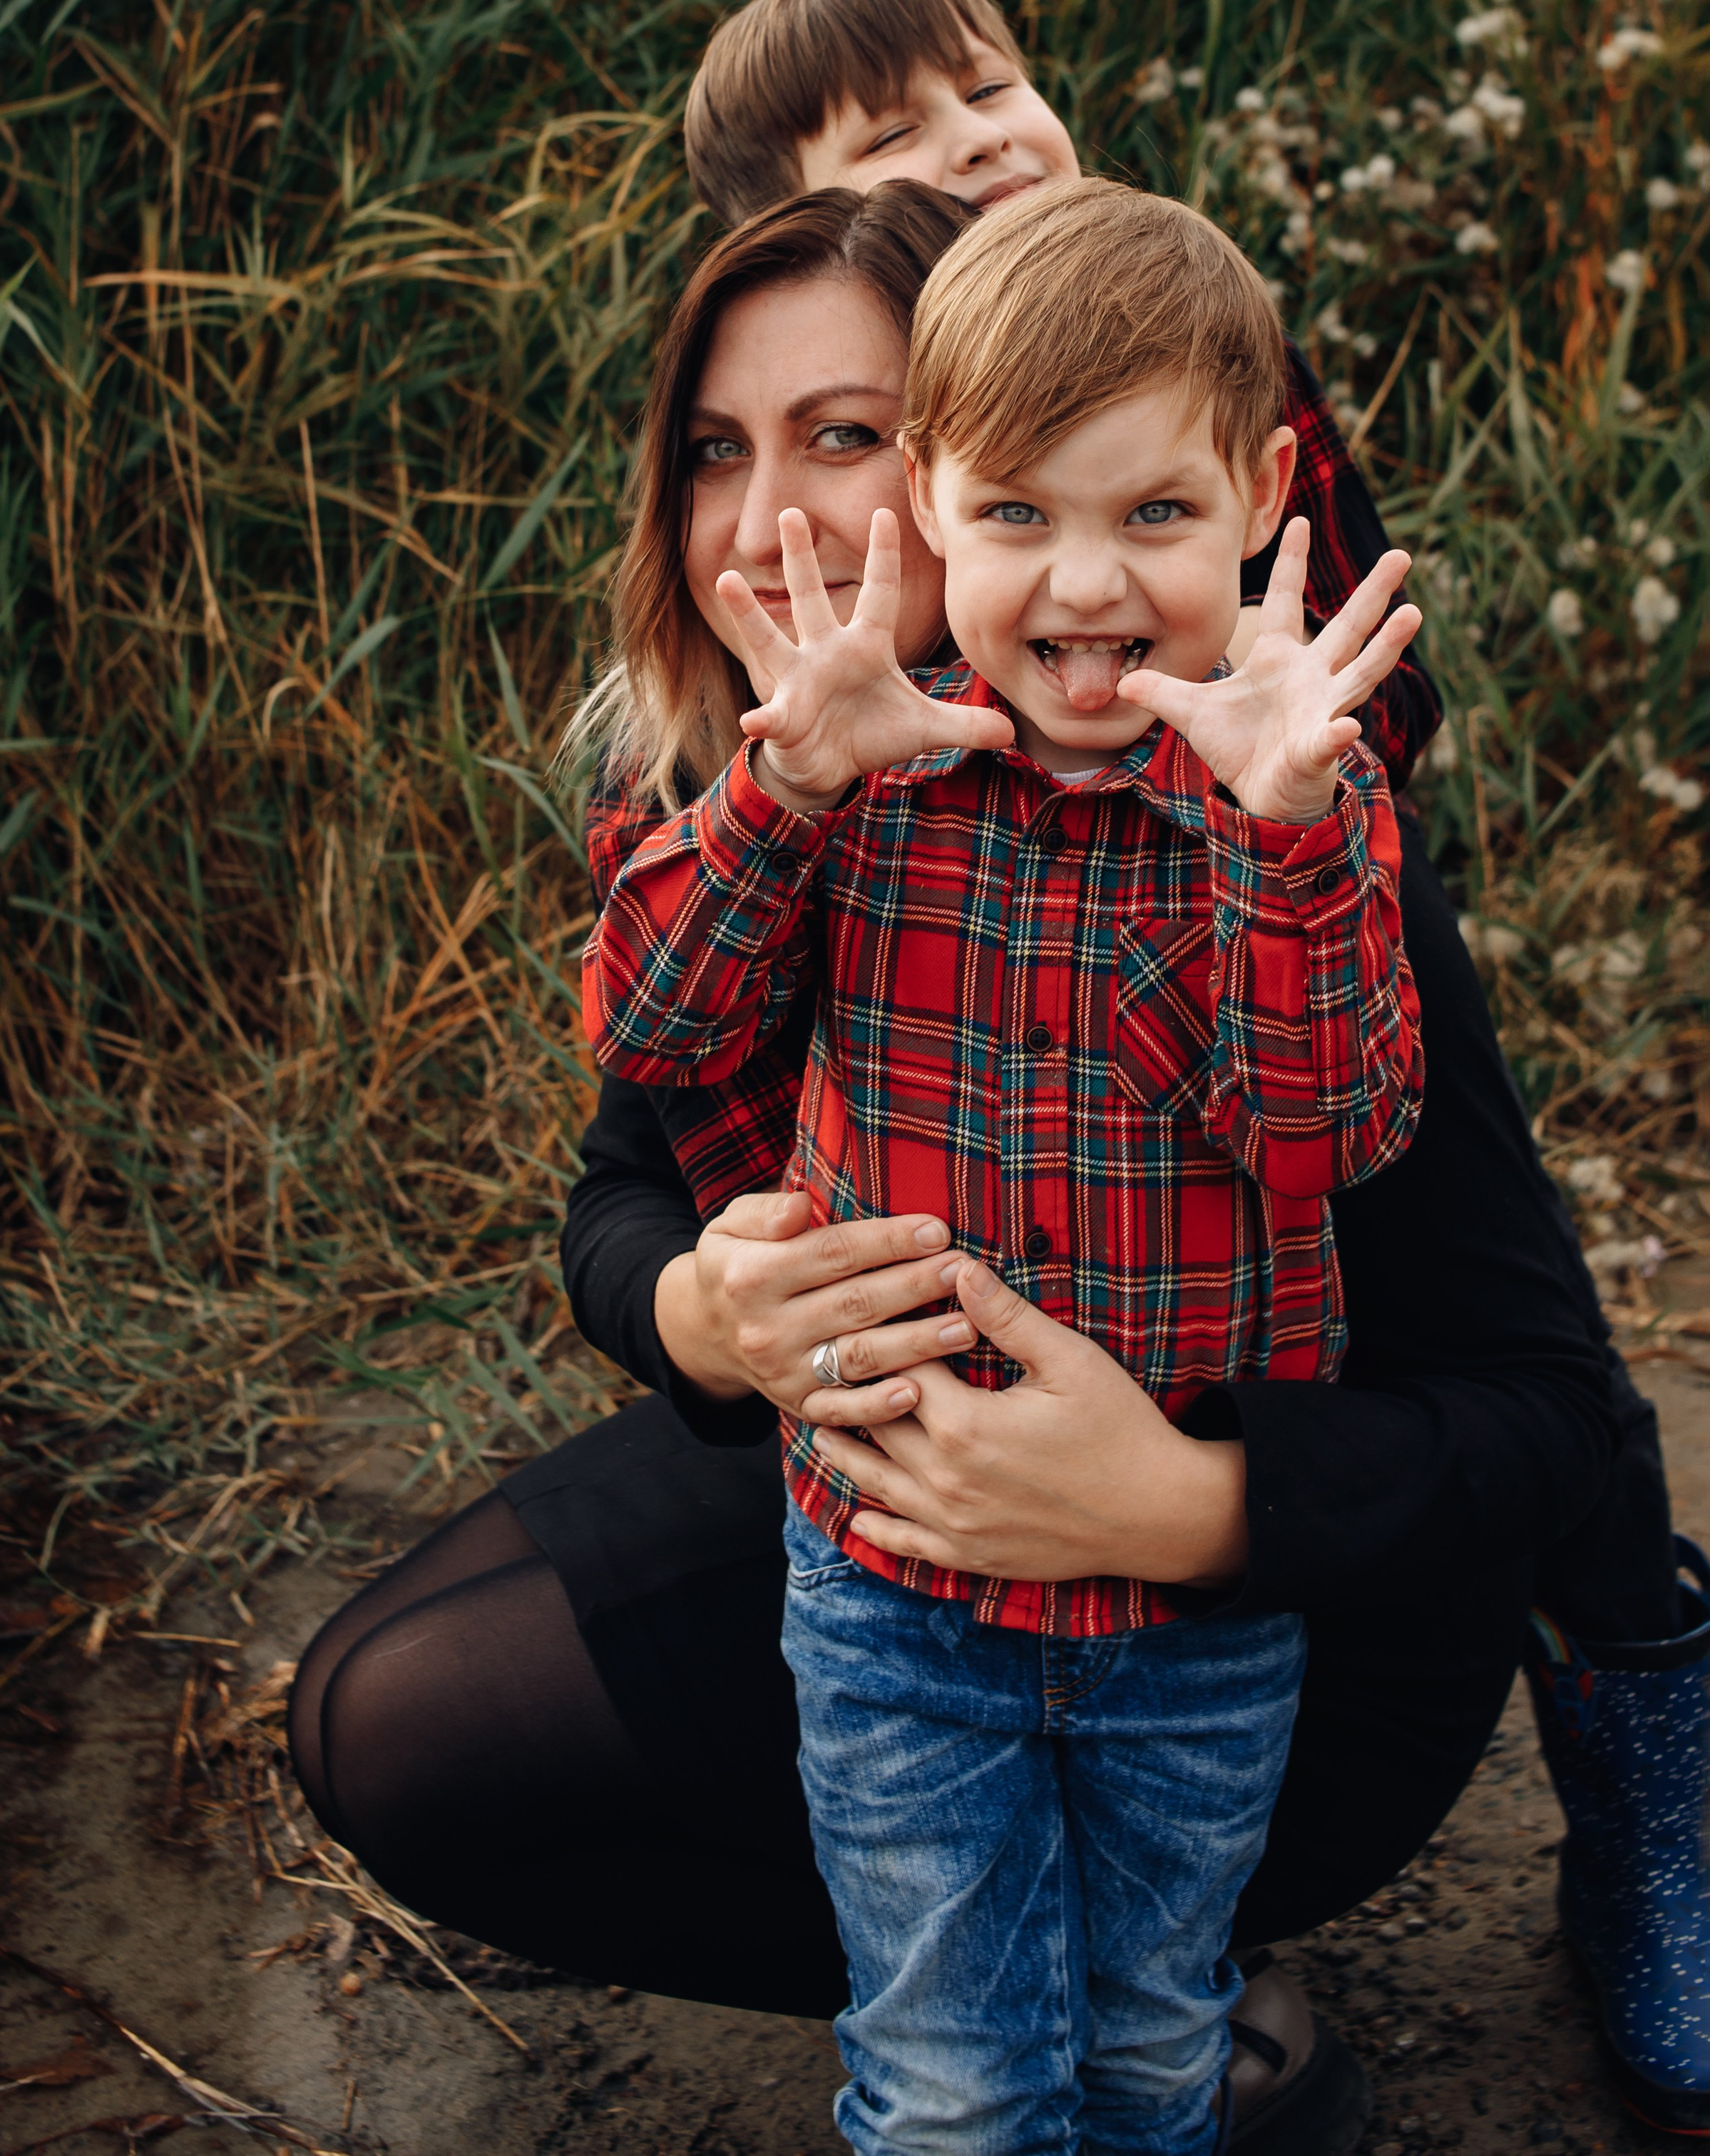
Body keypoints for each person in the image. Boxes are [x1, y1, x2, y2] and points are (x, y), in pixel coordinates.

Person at [288, 0, 1703, 2142]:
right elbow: (620, 1175)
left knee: (1138, 1957)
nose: (774, 521)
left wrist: (1190, 1501)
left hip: (1273, 1579)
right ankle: (994, 2012)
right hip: (900, 1535)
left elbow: (1535, 1408)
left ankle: (1575, 1773)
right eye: (718, 455)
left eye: (849, 442)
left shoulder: (1255, 803)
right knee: (400, 1712)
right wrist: (700, 1307)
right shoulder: (792, 786)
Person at [585, 176, 1429, 2155]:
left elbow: (1333, 1134)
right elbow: (652, 1034)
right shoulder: (864, 769)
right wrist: (787, 781)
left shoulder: (1300, 793)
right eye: (1017, 517)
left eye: (1155, 516)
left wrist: (1287, 837)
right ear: (934, 514)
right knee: (951, 2081)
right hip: (891, 1595)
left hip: (1191, 1623)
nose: (1081, 588)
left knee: (1152, 2059)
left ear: (1265, 495)